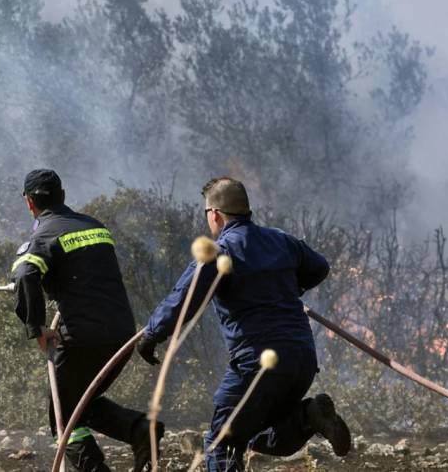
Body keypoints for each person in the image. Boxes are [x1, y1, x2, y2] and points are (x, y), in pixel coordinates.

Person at [136, 177, 351, 472]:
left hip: (257, 362)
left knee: (221, 443)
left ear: (214, 214)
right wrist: (288, 288)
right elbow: (320, 267)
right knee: (260, 432)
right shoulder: (281, 240)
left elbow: (183, 299)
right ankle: (309, 416)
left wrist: (151, 335)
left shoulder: (220, 251)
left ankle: (307, 417)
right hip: (301, 358)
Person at [10, 169, 162, 472]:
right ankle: (139, 430)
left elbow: (25, 274)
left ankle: (97, 466)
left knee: (62, 417)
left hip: (81, 336)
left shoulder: (44, 234)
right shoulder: (95, 226)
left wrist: (36, 327)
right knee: (81, 403)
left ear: (29, 203)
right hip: (121, 334)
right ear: (62, 196)